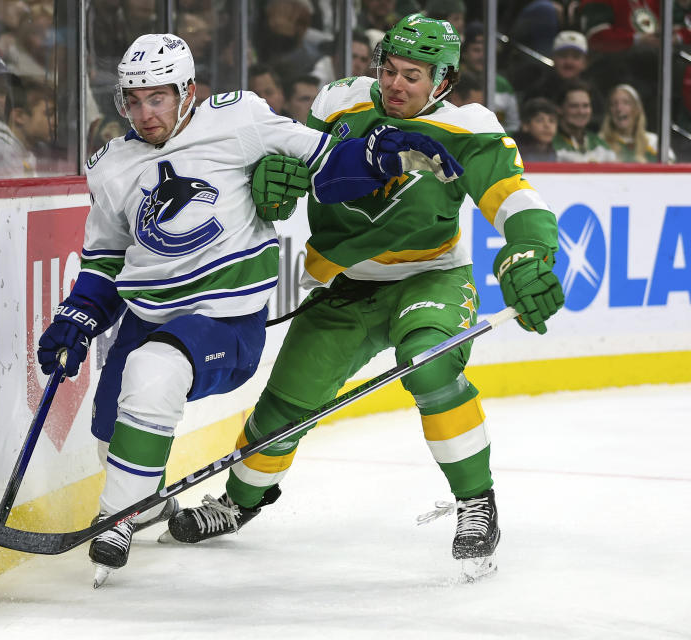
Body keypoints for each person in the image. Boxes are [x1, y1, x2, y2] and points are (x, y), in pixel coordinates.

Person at [35, 31, 462, 587]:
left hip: (223, 319)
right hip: (147, 317)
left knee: (154, 371)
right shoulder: (112, 166)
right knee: (111, 430)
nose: (145, 113)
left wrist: (385, 153)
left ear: (187, 91)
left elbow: (325, 163)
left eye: (157, 98)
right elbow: (107, 261)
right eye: (133, 101)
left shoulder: (238, 121)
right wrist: (80, 316)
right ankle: (148, 501)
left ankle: (117, 520)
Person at [164, 14, 565, 581]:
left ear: (443, 81)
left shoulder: (469, 127)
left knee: (427, 364)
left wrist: (528, 254)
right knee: (286, 404)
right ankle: (240, 502)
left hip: (430, 279)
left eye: (413, 76)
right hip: (345, 288)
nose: (396, 84)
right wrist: (271, 181)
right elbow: (295, 163)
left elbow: (517, 200)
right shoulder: (338, 105)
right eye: (389, 69)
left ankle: (477, 502)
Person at [599, 83, 671, 162]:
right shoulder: (599, 143)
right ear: (609, 112)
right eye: (614, 104)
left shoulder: (653, 142)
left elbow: (673, 171)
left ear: (637, 109)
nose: (619, 108)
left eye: (626, 103)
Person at [553, 79, 616, 162]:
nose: (581, 111)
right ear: (559, 109)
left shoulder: (598, 143)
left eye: (586, 106)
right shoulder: (548, 143)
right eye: (574, 106)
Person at [512, 96, 559, 162]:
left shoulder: (559, 153)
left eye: (552, 121)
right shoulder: (514, 153)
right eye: (539, 120)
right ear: (525, 125)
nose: (547, 125)